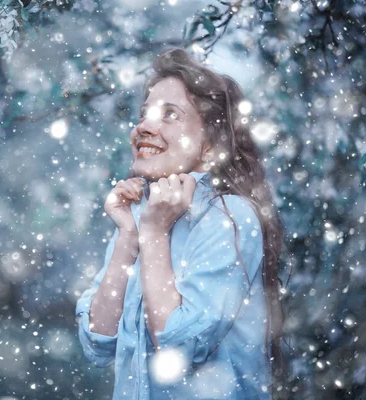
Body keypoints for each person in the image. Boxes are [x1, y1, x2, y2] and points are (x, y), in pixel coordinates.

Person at [76, 48, 285, 399]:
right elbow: (97, 341)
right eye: (145, 115)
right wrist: (129, 236)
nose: (144, 126)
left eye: (169, 115)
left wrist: (154, 235)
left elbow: (179, 348)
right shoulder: (142, 216)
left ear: (209, 147)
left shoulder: (229, 218)